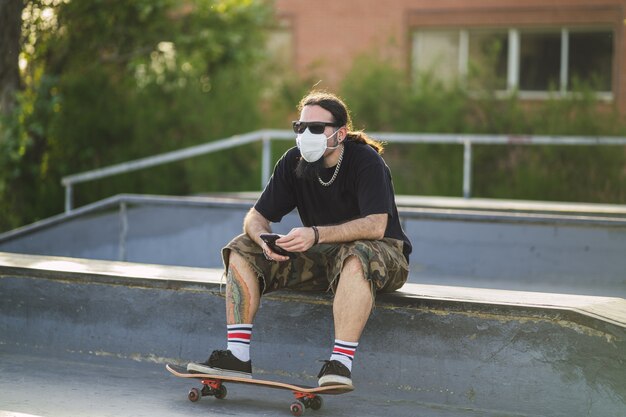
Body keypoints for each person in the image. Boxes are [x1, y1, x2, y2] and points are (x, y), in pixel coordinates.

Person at [187, 90, 412, 387]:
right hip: (325, 256)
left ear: (341, 133)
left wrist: (315, 234)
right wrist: (264, 239)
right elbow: (255, 216)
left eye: (317, 128)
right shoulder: (294, 161)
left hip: (385, 255)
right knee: (242, 246)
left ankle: (340, 364)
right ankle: (237, 357)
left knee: (358, 254)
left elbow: (376, 226)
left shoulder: (365, 161)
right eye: (300, 127)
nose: (307, 134)